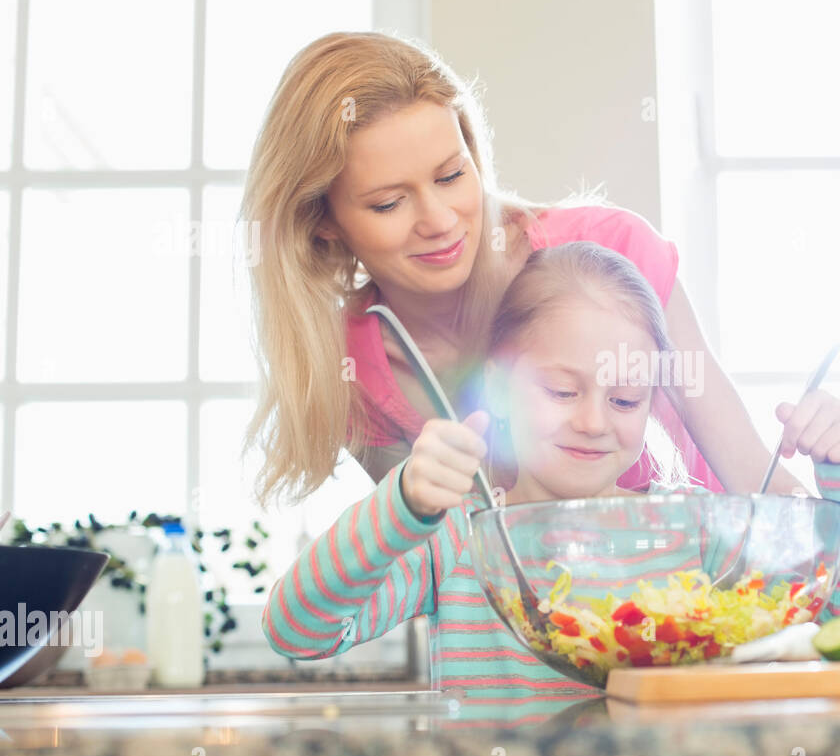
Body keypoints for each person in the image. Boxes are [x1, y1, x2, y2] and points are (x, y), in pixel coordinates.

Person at [261, 243, 840, 716]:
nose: (592, 422)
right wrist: (400, 505)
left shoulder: (694, 531)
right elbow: (296, 629)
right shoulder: (459, 537)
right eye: (562, 390)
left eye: (625, 401)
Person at [239, 30, 808, 508]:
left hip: (707, 603)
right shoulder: (349, 369)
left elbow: (759, 483)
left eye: (450, 176)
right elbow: (439, 560)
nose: (439, 221)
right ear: (323, 222)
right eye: (389, 203)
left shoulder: (609, 252)